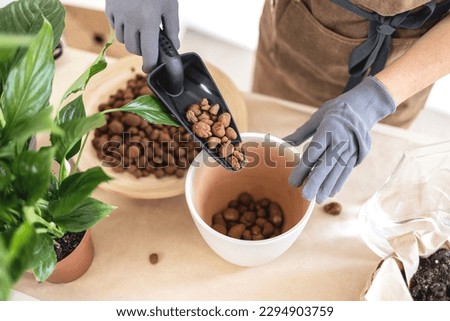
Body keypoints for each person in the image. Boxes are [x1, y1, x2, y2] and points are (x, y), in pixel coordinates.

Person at [105, 0, 450, 203]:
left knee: (361, 172)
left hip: (414, 54)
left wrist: (379, 97)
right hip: (303, 24)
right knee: (272, 120)